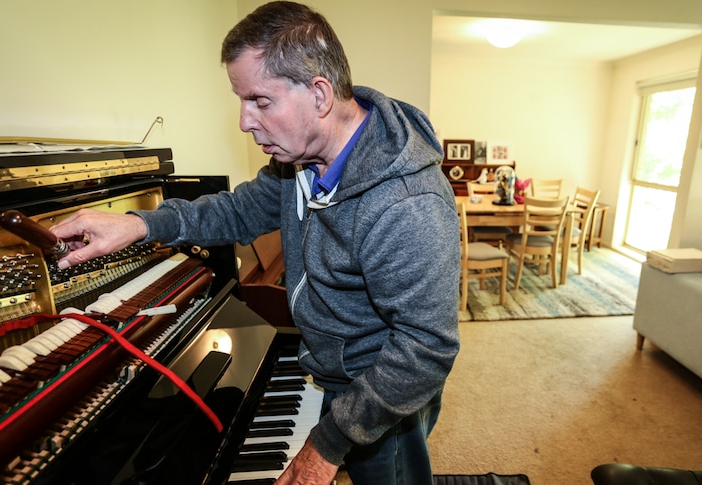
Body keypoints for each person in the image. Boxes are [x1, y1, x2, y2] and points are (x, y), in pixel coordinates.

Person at [50, 2, 461, 484]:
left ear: (320, 94)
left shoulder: (406, 203)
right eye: (241, 100)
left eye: (260, 101)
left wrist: (325, 445)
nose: (245, 121)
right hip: (332, 366)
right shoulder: (300, 158)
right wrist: (141, 225)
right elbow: (239, 210)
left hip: (379, 388)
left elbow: (426, 348)